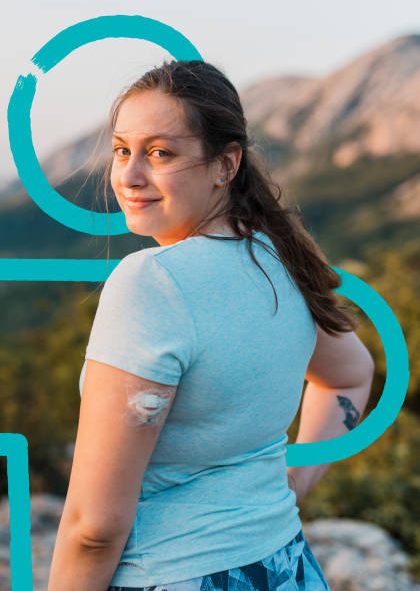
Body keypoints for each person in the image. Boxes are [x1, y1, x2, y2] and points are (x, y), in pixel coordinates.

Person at [47, 60, 375, 590]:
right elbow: (352, 375)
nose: (129, 176)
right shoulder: (281, 255)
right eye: (122, 150)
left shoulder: (151, 282)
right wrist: (291, 485)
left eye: (160, 153)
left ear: (226, 165)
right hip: (286, 568)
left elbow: (94, 528)